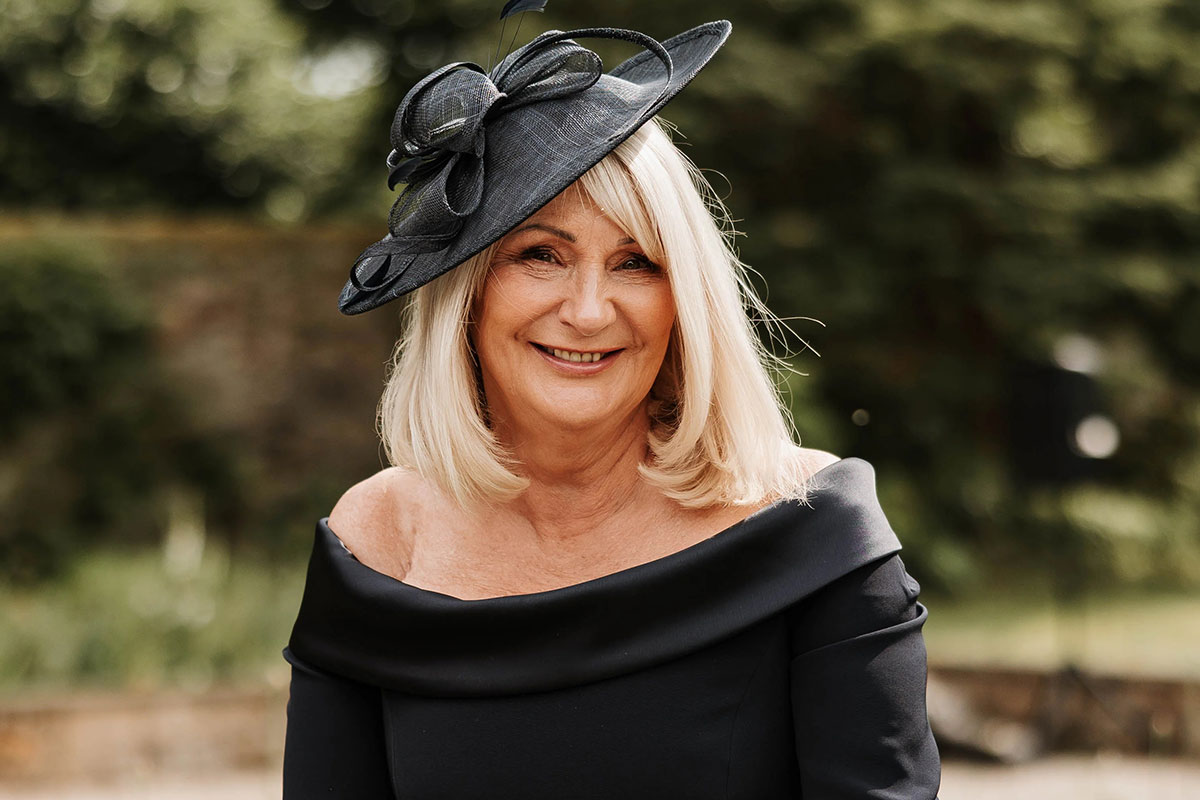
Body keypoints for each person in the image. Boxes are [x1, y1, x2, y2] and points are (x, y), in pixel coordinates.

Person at [282, 16, 941, 800]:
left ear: (684, 302)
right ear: (467, 294)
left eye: (635, 262)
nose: (589, 310)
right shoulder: (380, 541)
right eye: (541, 254)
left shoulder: (814, 530)